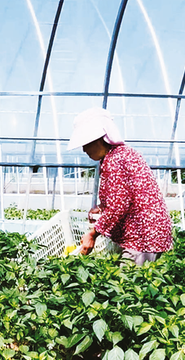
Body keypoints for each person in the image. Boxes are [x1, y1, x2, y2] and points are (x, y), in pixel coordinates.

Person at [67, 107, 173, 265]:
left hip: (142, 237)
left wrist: (93, 234)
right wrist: (102, 208)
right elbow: (126, 196)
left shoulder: (115, 160)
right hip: (150, 233)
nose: (84, 150)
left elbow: (118, 205)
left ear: (99, 140)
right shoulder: (122, 154)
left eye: (86, 144)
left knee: (128, 279)